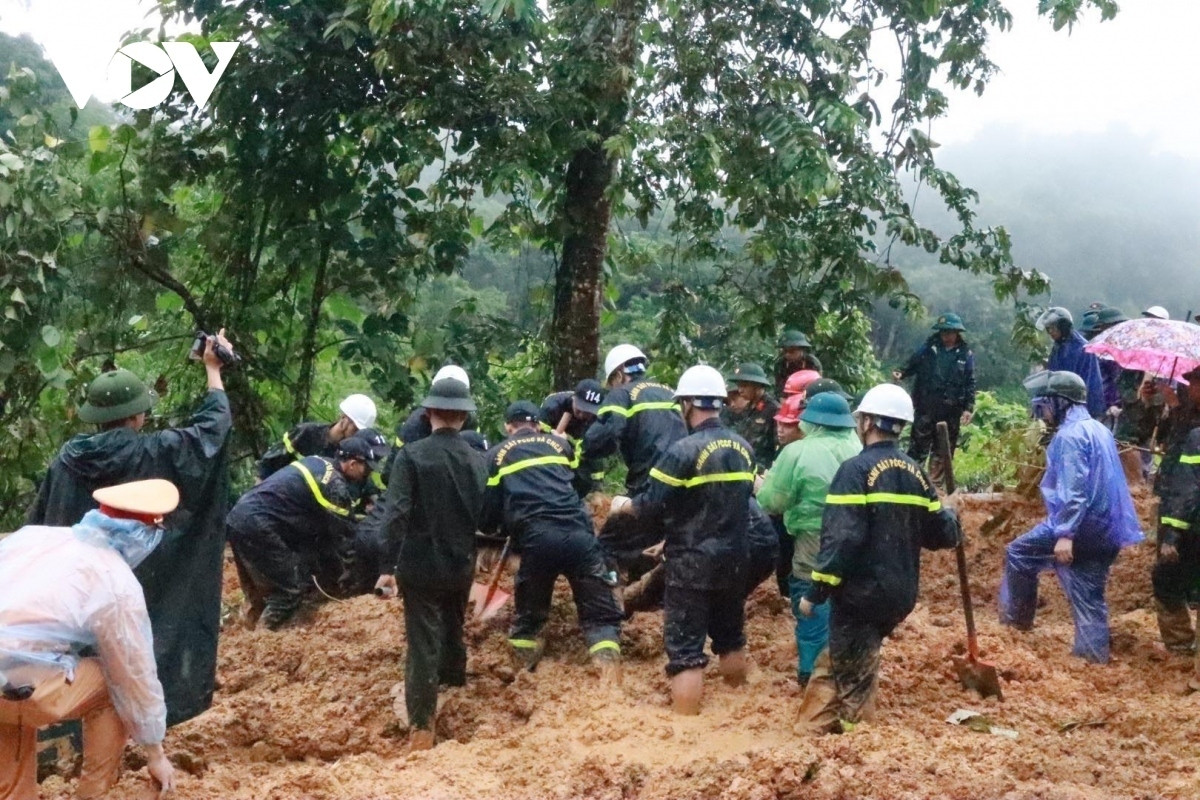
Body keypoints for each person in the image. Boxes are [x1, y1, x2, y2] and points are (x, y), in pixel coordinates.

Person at [26, 333, 233, 727]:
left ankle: (70, 729)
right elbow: (211, 431)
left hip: (81, 590)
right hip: (142, 586)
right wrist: (212, 369)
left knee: (83, 661)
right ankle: (142, 727)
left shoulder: (66, 461)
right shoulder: (159, 451)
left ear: (94, 418)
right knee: (133, 654)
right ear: (138, 416)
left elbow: (42, 524)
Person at [795, 383, 960, 733]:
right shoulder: (916, 472)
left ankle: (860, 748)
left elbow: (842, 540)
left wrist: (815, 592)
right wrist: (951, 514)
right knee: (843, 657)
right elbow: (942, 535)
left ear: (867, 422)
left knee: (855, 678)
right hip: (899, 595)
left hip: (861, 596)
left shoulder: (854, 472)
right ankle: (808, 732)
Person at [1, 479, 181, 800]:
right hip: (20, 683)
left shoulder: (36, 538)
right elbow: (134, 676)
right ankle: (93, 794)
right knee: (116, 687)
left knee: (13, 699)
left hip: (10, 678)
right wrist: (155, 753)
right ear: (143, 532)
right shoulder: (116, 581)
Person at [622, 364, 755, 714]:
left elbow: (651, 505)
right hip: (736, 558)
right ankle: (740, 708)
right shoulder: (744, 448)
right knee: (731, 639)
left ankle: (686, 727)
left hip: (692, 563)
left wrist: (625, 507)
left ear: (687, 405)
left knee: (685, 654)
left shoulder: (682, 451)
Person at [999, 371, 1143, 663]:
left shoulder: (1069, 436)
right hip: (1108, 528)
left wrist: (1066, 533)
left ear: (1059, 401)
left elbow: (1074, 489)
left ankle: (1016, 627)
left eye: (1047, 404)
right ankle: (1092, 658)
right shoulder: (1099, 429)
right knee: (1089, 594)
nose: (1044, 412)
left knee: (1019, 554)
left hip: (1082, 527)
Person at [374, 378, 487, 751]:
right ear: (464, 418)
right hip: (461, 565)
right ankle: (455, 694)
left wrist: (387, 566)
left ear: (428, 413)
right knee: (454, 627)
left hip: (420, 565)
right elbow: (487, 516)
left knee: (423, 643)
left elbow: (396, 516)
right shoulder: (478, 460)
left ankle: (422, 728)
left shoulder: (411, 455)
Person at [480, 401, 623, 673]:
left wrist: (505, 524)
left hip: (537, 541)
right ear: (536, 425)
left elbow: (488, 512)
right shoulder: (561, 446)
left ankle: (521, 673)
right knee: (601, 617)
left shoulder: (496, 455)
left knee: (529, 619)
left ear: (508, 426)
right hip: (580, 536)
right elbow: (582, 484)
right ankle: (608, 673)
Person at [756, 392, 862, 686]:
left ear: (811, 421)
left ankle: (812, 676)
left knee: (811, 599)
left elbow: (771, 502)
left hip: (815, 538)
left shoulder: (797, 452)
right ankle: (848, 670)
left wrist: (761, 485)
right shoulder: (861, 448)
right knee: (849, 602)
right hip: (859, 540)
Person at [227, 435, 380, 629]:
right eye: (366, 468)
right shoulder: (334, 486)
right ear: (351, 464)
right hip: (259, 525)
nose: (367, 474)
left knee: (258, 593)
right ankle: (262, 642)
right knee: (289, 590)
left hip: (238, 516)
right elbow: (345, 537)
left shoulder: (317, 461)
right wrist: (350, 579)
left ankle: (245, 633)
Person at [584, 344, 688, 496]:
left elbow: (607, 433)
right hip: (681, 477)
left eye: (611, 383)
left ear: (619, 375)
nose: (612, 388)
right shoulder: (669, 392)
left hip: (647, 482)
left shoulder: (621, 394)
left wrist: (579, 449)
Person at [892, 312, 976, 489]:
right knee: (918, 448)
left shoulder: (965, 354)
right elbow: (913, 362)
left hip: (951, 411)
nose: (946, 336)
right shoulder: (929, 348)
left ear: (957, 333)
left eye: (950, 332)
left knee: (942, 451)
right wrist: (902, 371)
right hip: (926, 407)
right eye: (943, 332)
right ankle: (911, 485)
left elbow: (970, 381)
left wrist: (968, 407)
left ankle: (935, 489)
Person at [1152, 367, 1200, 656]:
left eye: (1193, 382)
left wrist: (1171, 533)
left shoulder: (1197, 435)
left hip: (1190, 522)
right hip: (1181, 509)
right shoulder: (1186, 414)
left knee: (1167, 578)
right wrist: (1171, 407)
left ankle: (1182, 647)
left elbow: (1189, 486)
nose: (1189, 387)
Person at [257, 393, 377, 480]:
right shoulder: (306, 433)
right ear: (344, 418)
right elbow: (268, 465)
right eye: (355, 428)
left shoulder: (348, 453)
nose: (356, 435)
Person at [540, 379, 607, 497]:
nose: (582, 415)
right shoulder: (551, 406)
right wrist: (553, 437)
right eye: (579, 409)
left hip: (579, 452)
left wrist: (597, 486)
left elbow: (593, 450)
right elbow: (537, 436)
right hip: (551, 450)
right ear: (574, 398)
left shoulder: (597, 418)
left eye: (587, 412)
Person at [1037, 307, 1105, 419]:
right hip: (1062, 405)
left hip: (1082, 409)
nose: (1050, 333)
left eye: (1052, 328)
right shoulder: (1058, 347)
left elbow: (1088, 385)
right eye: (1048, 329)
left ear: (1063, 326)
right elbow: (1053, 376)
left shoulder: (1082, 348)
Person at [721, 362, 780, 469]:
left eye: (744, 385)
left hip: (762, 471)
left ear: (757, 385)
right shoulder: (747, 408)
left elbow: (779, 445)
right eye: (739, 386)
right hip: (743, 466)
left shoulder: (773, 409)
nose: (740, 390)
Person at [774, 330, 823, 397]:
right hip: (788, 397)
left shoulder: (812, 363)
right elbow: (779, 388)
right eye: (785, 351)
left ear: (801, 349)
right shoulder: (780, 364)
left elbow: (819, 384)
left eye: (792, 351)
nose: (787, 354)